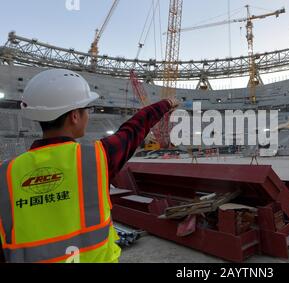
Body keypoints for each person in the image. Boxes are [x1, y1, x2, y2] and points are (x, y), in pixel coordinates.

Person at [0, 69, 179, 263]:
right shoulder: (96, 158)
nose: (88, 115)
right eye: (87, 109)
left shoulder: (5, 173)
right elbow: (135, 127)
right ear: (74, 116)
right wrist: (166, 104)